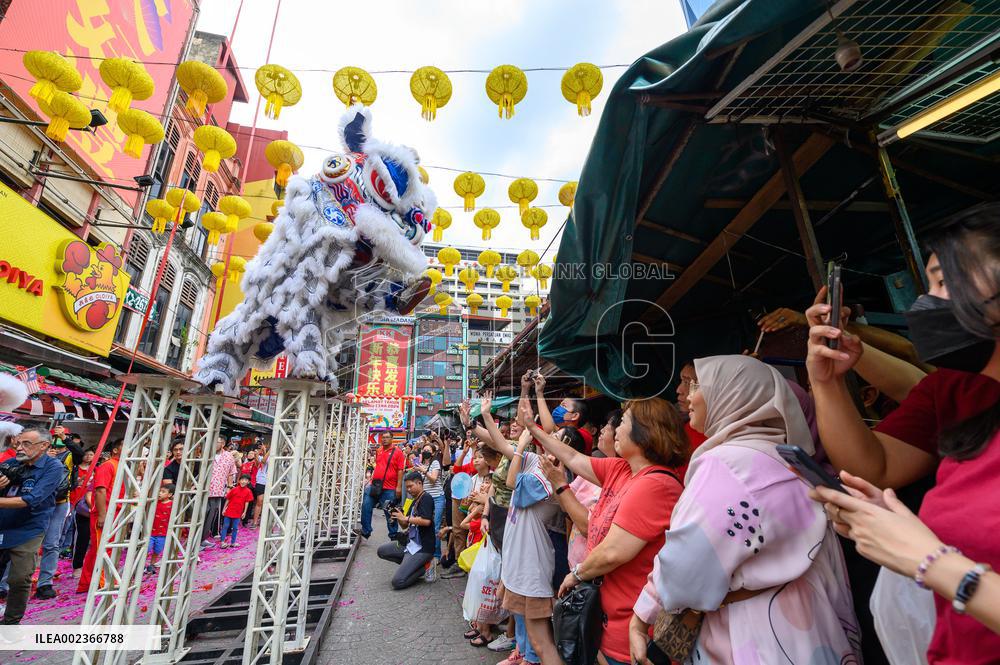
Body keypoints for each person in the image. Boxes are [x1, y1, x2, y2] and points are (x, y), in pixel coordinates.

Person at [811, 204, 1000, 659]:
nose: (927, 300)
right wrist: (826, 382)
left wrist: (930, 560)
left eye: (941, 279)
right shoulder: (955, 392)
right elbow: (873, 467)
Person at [628, 356, 860, 665]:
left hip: (752, 635)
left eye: (699, 386)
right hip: (810, 624)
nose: (690, 396)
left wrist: (642, 616)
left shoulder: (728, 464)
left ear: (732, 393)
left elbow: (685, 569)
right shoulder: (789, 461)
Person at [524, 398, 687, 665]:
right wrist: (533, 427)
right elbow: (573, 457)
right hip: (606, 620)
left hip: (634, 629)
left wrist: (576, 574)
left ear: (645, 432)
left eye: (623, 422)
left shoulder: (656, 485)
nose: (612, 429)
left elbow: (612, 553)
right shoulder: (622, 469)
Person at [0, 428, 64, 623]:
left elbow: (32, 499)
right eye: (18, 443)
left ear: (44, 446)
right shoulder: (10, 464)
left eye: (26, 444)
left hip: (29, 528)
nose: (20, 448)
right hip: (3, 523)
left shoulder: (53, 467)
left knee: (19, 578)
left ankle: (10, 623)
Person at [77, 438, 124, 593]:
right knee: (104, 549)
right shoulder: (108, 465)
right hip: (105, 513)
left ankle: (86, 583)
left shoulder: (121, 466)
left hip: (115, 512)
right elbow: (100, 491)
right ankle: (104, 582)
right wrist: (103, 515)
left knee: (98, 549)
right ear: (115, 450)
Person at [375, 471, 436, 590]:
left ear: (419, 483)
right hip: (410, 544)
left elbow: (426, 521)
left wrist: (406, 518)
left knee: (398, 582)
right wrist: (398, 517)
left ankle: (426, 566)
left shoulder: (426, 498)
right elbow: (404, 526)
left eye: (410, 486)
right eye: (406, 487)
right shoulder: (413, 501)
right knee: (382, 551)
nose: (408, 490)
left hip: (423, 548)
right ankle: (411, 566)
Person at [359, 432, 406, 540]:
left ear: (392, 439)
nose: (384, 439)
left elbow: (400, 470)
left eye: (387, 437)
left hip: (389, 488)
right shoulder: (379, 450)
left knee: (390, 513)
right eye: (383, 437)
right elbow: (379, 466)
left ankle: (393, 536)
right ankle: (366, 530)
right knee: (366, 505)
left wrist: (398, 487)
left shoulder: (398, 452)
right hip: (375, 485)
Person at [533, 373, 593, 453]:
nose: (558, 409)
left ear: (575, 416)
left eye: (563, 406)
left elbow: (550, 430)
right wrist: (525, 388)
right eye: (560, 405)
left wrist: (539, 393)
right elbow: (521, 422)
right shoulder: (554, 432)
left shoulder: (584, 436)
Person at [412, 442, 444, 570]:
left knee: (435, 527)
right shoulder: (420, 464)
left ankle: (436, 554)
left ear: (433, 452)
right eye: (424, 449)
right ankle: (425, 553)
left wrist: (423, 470)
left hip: (437, 498)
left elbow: (433, 479)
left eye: (428, 450)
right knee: (425, 526)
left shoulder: (435, 463)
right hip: (425, 500)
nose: (426, 452)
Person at [204, 436, 237, 545]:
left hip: (217, 490)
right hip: (203, 489)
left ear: (222, 444)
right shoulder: (206, 453)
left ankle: (203, 537)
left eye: (216, 442)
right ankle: (197, 535)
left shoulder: (228, 456)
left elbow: (231, 472)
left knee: (212, 514)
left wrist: (229, 487)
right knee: (203, 512)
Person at [220, 474, 254, 549]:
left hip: (238, 513)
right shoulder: (234, 489)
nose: (243, 481)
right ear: (239, 481)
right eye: (242, 480)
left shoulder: (248, 491)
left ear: (248, 482)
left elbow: (247, 502)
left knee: (235, 528)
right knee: (225, 526)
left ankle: (233, 542)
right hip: (229, 511)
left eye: (246, 480)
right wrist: (224, 509)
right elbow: (228, 499)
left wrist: (244, 512)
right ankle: (222, 542)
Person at [146, 485, 173, 574]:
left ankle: (151, 565)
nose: (160, 493)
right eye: (160, 491)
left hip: (163, 533)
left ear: (170, 495)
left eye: (163, 492)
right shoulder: (155, 502)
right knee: (146, 548)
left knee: (157, 550)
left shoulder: (172, 504)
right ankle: (140, 565)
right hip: (151, 532)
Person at [240, 449, 261, 526]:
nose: (250, 455)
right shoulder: (244, 464)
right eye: (249, 453)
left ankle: (245, 520)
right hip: (242, 485)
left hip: (251, 486)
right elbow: (240, 473)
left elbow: (258, 463)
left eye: (252, 454)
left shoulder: (255, 463)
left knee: (249, 503)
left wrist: (256, 455)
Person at [251, 446, 268, 528]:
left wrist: (267, 451)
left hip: (271, 483)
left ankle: (264, 522)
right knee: (259, 501)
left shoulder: (275, 458)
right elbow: (262, 461)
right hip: (261, 481)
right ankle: (254, 522)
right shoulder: (261, 457)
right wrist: (262, 450)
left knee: (267, 503)